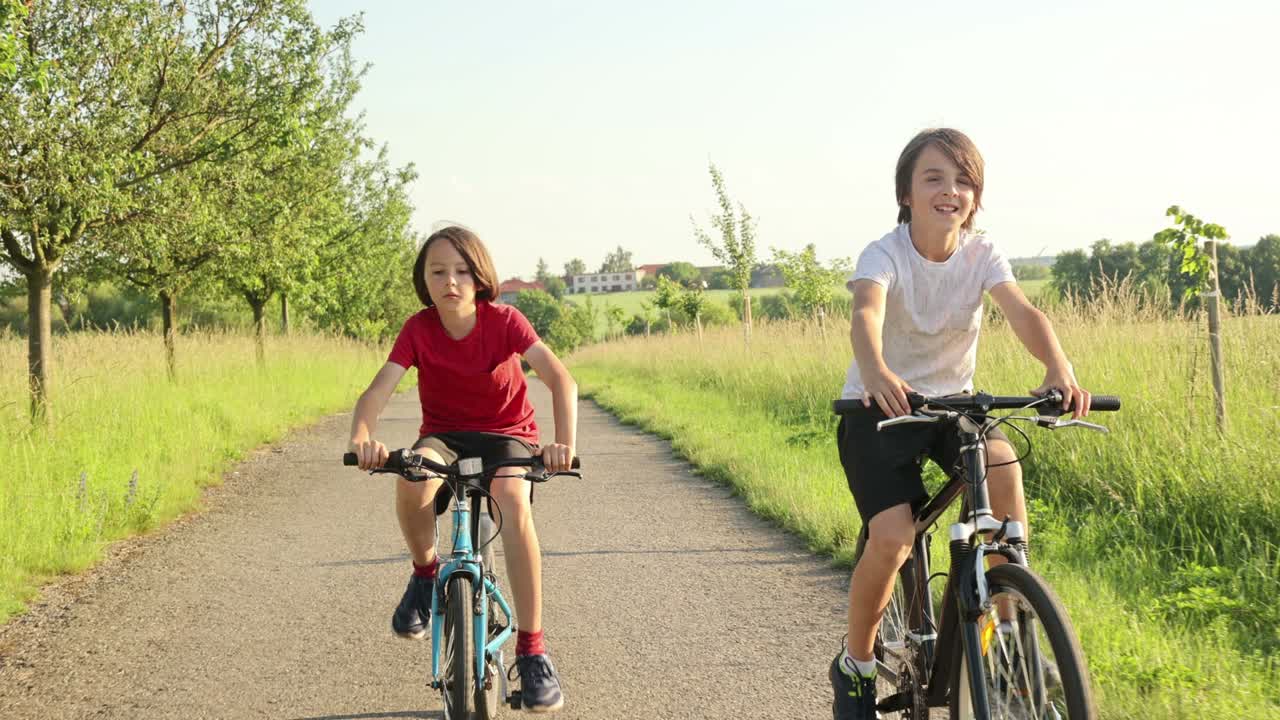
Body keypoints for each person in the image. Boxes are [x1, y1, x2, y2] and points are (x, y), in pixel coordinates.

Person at [829, 128, 1091, 719]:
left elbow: (1023, 311)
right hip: (880, 407)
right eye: (934, 178)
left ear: (975, 196)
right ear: (906, 193)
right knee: (894, 538)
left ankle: (1010, 636)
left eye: (963, 181)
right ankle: (857, 665)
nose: (951, 190)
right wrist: (876, 371)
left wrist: (1058, 366)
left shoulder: (981, 253)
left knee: (1002, 467)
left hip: (952, 407)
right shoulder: (884, 253)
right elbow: (866, 312)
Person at [348, 225, 578, 713]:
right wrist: (362, 438)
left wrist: (564, 444)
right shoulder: (418, 329)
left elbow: (560, 379)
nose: (450, 281)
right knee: (413, 478)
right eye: (437, 272)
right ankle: (425, 573)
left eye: (462, 271)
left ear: (480, 278)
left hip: (508, 434)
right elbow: (377, 390)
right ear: (424, 281)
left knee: (512, 502)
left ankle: (533, 652)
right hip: (445, 436)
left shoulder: (505, 320)